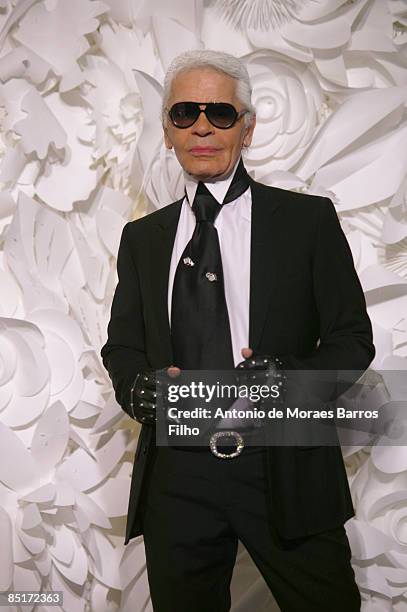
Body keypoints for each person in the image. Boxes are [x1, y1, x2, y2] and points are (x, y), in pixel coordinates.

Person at [101, 49, 375, 612]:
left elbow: (353, 341)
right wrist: (139, 389)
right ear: (168, 131)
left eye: (220, 114)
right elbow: (122, 345)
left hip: (285, 467)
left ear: (246, 128)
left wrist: (285, 379)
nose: (202, 126)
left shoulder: (308, 222)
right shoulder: (143, 239)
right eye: (184, 114)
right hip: (177, 476)